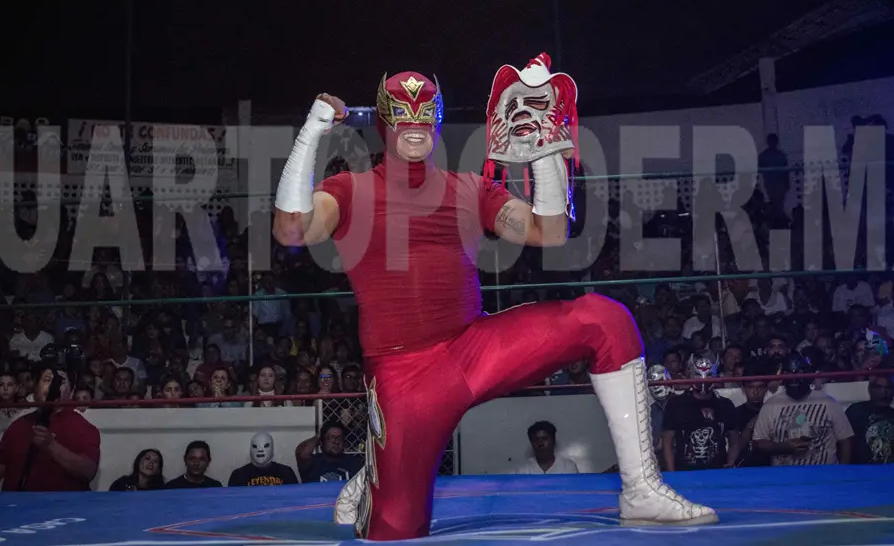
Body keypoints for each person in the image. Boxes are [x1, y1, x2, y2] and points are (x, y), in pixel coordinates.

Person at [273, 56, 715, 541]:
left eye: (424, 115)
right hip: (406, 375)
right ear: (383, 123)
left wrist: (544, 151)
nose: (415, 126)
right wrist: (311, 132)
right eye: (402, 115)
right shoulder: (349, 189)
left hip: (475, 347)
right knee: (395, 530)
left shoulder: (470, 188)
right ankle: (377, 474)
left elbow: (549, 232)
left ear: (438, 121)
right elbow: (290, 230)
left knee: (604, 320)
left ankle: (642, 490)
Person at [0, 364, 100, 491]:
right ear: (35, 388)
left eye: (61, 381)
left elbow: (88, 471)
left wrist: (51, 446)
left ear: (72, 391)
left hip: (63, 503)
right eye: (47, 380)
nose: (54, 386)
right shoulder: (18, 425)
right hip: (17, 503)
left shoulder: (85, 428)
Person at [295, 421, 364, 483]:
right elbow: (301, 453)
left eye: (339, 438)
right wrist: (319, 435)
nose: (336, 441)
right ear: (321, 442)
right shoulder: (313, 463)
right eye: (331, 437)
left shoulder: (354, 463)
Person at [229, 432, 299, 486]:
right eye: (255, 446)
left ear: (272, 448)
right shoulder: (238, 475)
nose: (260, 450)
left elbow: (295, 497)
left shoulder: (286, 472)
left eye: (265, 446)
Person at [514, 421, 579, 474]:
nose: (540, 443)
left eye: (545, 439)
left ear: (553, 441)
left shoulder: (568, 467)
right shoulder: (523, 469)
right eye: (536, 440)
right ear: (532, 443)